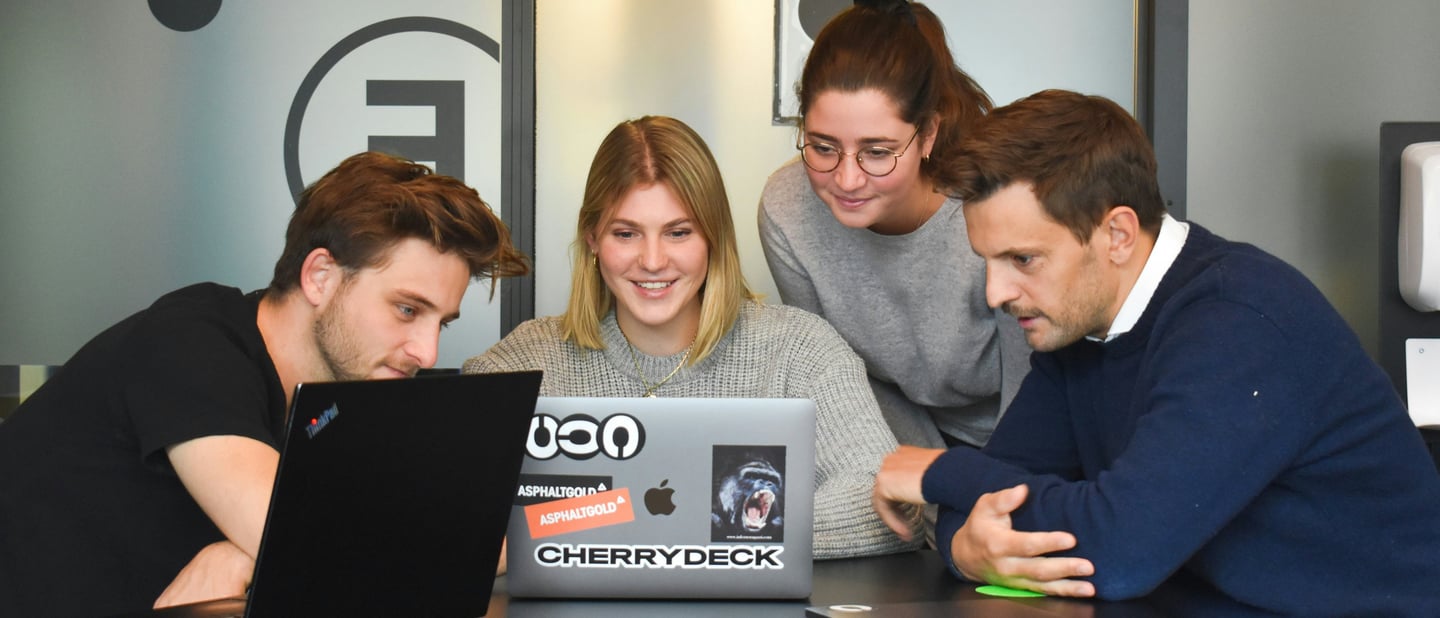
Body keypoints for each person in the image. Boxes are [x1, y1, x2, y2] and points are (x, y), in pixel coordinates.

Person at [872, 89, 1440, 615]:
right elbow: (996, 494)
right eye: (988, 261)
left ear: (1117, 234)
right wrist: (966, 549)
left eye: (1023, 260)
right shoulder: (1077, 324)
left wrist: (939, 471)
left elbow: (1119, 549)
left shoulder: (1240, 321)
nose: (997, 293)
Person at [0, 152, 529, 617]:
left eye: (441, 323)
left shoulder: (352, 394)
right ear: (320, 277)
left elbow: (469, 544)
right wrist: (273, 550)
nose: (427, 353)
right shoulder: (188, 343)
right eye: (407, 309)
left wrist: (243, 555)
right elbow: (334, 560)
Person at [465, 115, 920, 560]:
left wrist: (663, 526)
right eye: (626, 233)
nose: (652, 260)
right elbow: (451, 510)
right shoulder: (526, 362)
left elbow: (890, 507)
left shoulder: (800, 350)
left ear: (712, 238)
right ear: (592, 238)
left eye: (678, 233)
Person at [759, 0, 1029, 453]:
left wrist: (979, 481)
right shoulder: (787, 211)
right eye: (823, 147)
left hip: (1031, 438)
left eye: (878, 152)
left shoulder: (997, 203)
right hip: (894, 444)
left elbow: (1036, 380)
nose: (847, 179)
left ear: (928, 135)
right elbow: (837, 375)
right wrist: (928, 478)